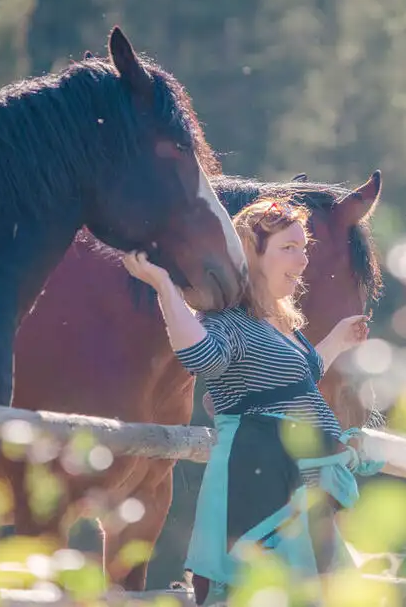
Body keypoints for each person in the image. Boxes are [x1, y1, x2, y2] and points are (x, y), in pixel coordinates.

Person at [122, 197, 384, 605]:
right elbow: (200, 356)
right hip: (256, 477)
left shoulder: (280, 329)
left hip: (297, 479)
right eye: (288, 248)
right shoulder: (231, 321)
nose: (302, 261)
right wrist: (164, 288)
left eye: (303, 249)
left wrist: (338, 339)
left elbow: (299, 378)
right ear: (252, 254)